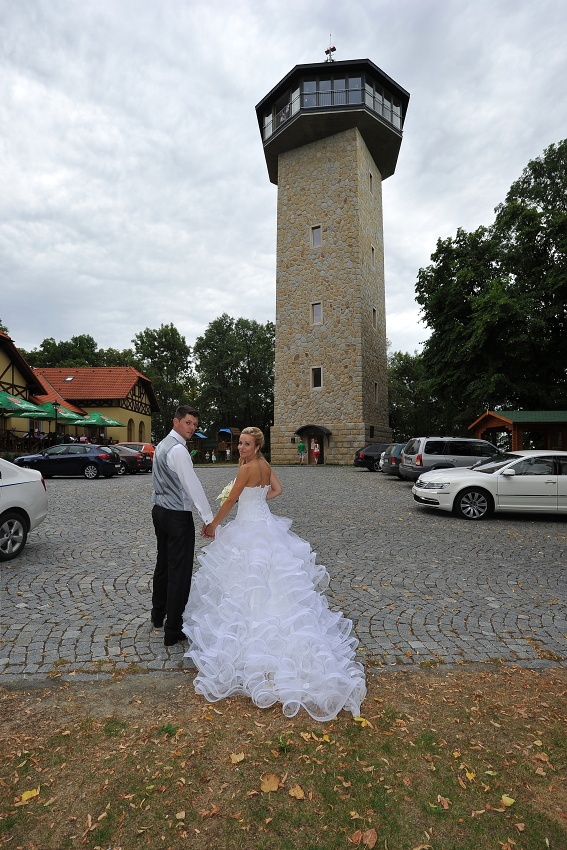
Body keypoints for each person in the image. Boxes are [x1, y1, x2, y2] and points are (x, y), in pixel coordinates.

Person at [182, 426, 365, 721]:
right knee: (276, 581)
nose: (241, 447)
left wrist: (213, 525)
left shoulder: (247, 469)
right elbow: (278, 490)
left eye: (246, 444)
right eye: (240, 443)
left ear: (256, 446)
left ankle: (248, 651)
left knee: (247, 582)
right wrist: (258, 502)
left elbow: (230, 501)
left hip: (248, 530)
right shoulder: (265, 465)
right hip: (266, 527)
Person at [151, 405, 214, 647]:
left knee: (163, 564)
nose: (192, 428)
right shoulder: (177, 450)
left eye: (195, 425)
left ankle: (158, 615)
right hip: (176, 515)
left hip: (159, 511)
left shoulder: (161, 445)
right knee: (179, 572)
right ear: (176, 421)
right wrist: (208, 518)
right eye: (188, 423)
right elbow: (192, 486)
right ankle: (172, 629)